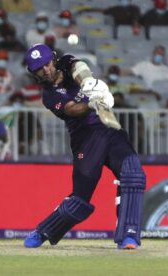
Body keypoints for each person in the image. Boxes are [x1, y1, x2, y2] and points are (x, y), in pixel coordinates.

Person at [23, 43, 146, 249]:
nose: (46, 70)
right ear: (33, 72)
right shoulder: (49, 96)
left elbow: (78, 67)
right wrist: (92, 103)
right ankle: (43, 231)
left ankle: (128, 236)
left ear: (53, 59)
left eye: (47, 64)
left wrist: (89, 84)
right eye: (39, 68)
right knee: (80, 199)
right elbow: (72, 109)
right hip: (86, 139)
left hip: (110, 130)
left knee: (133, 175)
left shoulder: (65, 63)